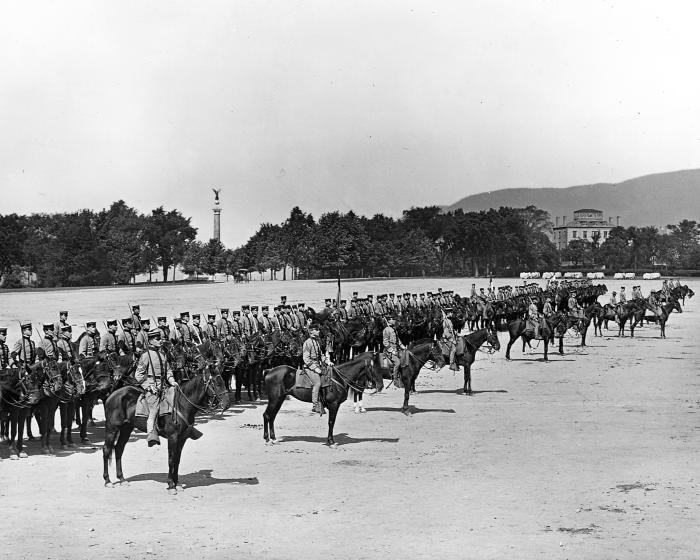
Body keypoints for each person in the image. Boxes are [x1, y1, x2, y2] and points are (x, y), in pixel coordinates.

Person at [134, 330, 178, 446]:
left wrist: (172, 381)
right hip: (152, 386)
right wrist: (148, 386)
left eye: (161, 339)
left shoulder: (163, 354)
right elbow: (138, 375)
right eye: (158, 339)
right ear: (151, 341)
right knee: (154, 407)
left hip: (164, 385)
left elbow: (168, 370)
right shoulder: (146, 355)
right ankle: (151, 434)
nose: (161, 341)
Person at [302, 325, 327, 415]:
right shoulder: (307, 343)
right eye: (317, 330)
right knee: (317, 383)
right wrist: (315, 368)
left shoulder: (316, 341)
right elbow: (306, 359)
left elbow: (321, 355)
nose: (319, 331)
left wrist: (327, 361)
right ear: (311, 332)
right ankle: (315, 405)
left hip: (318, 365)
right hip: (309, 367)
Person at [382, 316, 405, 382]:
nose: (394, 320)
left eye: (394, 319)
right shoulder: (386, 330)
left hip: (397, 349)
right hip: (389, 351)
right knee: (397, 363)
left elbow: (398, 340)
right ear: (389, 321)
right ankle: (395, 379)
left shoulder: (394, 329)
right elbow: (385, 342)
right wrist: (392, 351)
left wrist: (403, 347)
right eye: (393, 319)